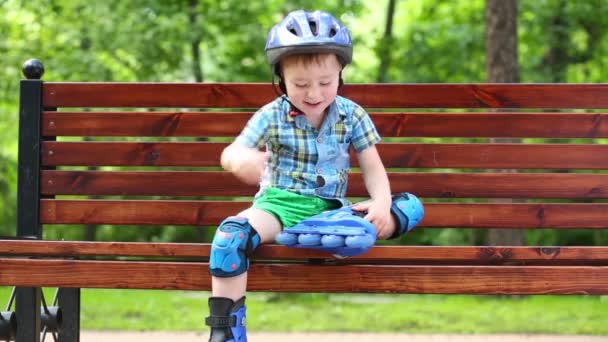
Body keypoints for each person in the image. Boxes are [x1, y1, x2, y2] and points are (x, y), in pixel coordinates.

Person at [204, 9, 423, 342]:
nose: (314, 94)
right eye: (300, 84)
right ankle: (227, 335)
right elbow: (231, 153)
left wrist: (380, 203)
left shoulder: (352, 114)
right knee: (229, 238)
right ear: (280, 80)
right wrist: (242, 160)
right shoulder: (270, 116)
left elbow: (371, 165)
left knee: (407, 206)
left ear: (341, 75)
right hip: (277, 207)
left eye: (326, 82)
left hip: (332, 210)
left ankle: (350, 230)